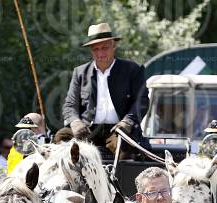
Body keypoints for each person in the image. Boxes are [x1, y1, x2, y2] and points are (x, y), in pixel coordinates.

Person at [59, 22, 149, 154]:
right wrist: (75, 122)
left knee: (123, 148)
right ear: (91, 51)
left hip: (119, 129)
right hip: (87, 130)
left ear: (114, 46)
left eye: (105, 48)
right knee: (61, 138)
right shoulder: (80, 72)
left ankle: (120, 175)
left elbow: (142, 101)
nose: (100, 53)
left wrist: (128, 121)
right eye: (96, 49)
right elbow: (69, 105)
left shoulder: (132, 69)